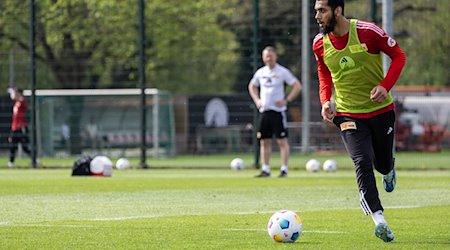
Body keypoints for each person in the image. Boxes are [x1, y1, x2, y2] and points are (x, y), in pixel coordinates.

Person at [313, 0, 406, 242]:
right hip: (347, 114)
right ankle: (379, 220)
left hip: (381, 111)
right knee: (362, 161)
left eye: (321, 10)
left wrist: (385, 86)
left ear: (337, 10)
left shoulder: (367, 32)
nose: (317, 16)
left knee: (382, 164)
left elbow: (399, 56)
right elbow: (324, 73)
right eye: (315, 11)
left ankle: (388, 170)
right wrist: (325, 100)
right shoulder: (319, 43)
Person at [248, 46, 302, 178]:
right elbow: (252, 86)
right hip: (264, 112)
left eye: (271, 55)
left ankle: (284, 169)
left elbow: (297, 85)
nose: (269, 58)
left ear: (275, 56)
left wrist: (286, 100)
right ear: (263, 57)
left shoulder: (282, 71)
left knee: (281, 141)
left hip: (278, 112)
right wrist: (257, 100)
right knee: (264, 141)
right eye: (266, 55)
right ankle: (265, 169)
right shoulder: (260, 73)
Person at [7, 87, 34, 168]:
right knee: (12, 146)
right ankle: (11, 163)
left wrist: (16, 94)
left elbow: (21, 100)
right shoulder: (16, 104)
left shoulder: (23, 101)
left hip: (21, 128)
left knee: (25, 147)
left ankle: (34, 160)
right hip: (15, 128)